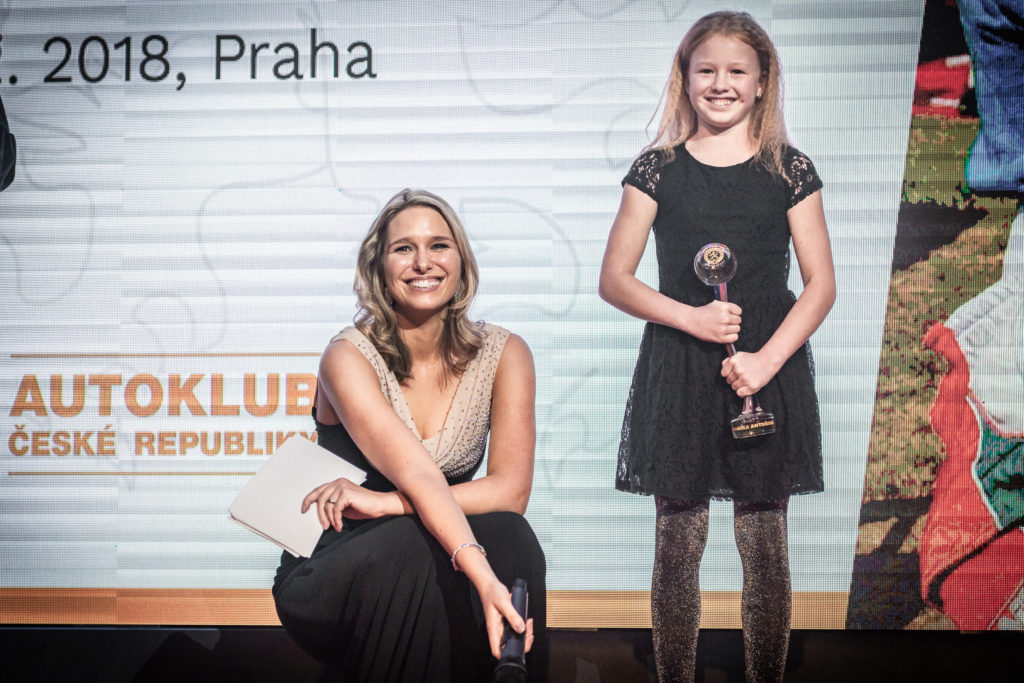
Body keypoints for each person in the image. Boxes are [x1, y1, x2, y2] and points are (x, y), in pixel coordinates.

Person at [598, 11, 835, 683]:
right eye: (706, 70)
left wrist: (766, 361)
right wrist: (691, 319)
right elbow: (614, 278)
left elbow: (820, 284)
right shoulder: (656, 169)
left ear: (762, 82)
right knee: (679, 540)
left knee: (764, 540)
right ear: (685, 77)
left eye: (737, 71)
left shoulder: (789, 169)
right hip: (680, 367)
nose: (721, 83)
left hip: (768, 368)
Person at [273, 188, 547, 682]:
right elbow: (418, 474)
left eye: (439, 245)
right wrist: (482, 577)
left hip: (433, 545)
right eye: (404, 249)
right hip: (340, 557)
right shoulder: (347, 356)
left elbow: (511, 492)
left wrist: (386, 503)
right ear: (379, 267)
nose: (423, 263)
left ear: (461, 261)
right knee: (407, 544)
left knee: (510, 532)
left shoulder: (505, 353)